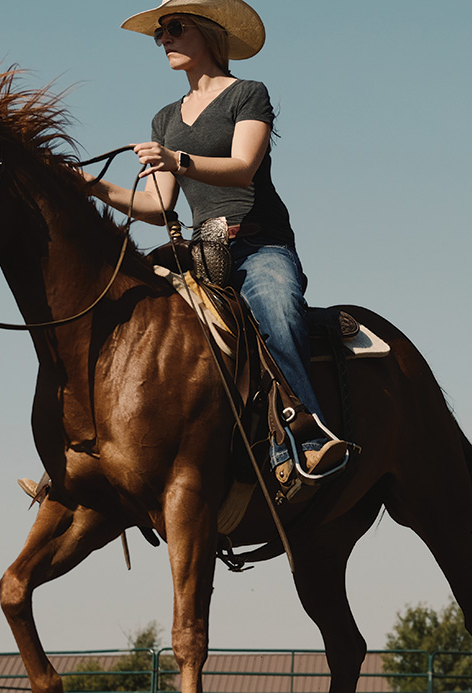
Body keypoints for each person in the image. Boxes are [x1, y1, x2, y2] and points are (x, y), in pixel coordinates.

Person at [82, 0, 348, 486]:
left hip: (257, 246)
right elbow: (158, 208)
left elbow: (244, 166)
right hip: (201, 254)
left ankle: (307, 436)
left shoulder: (247, 94)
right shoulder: (165, 118)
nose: (164, 39)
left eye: (174, 28)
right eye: (159, 33)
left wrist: (176, 159)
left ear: (207, 33)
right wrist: (92, 187)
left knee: (277, 306)